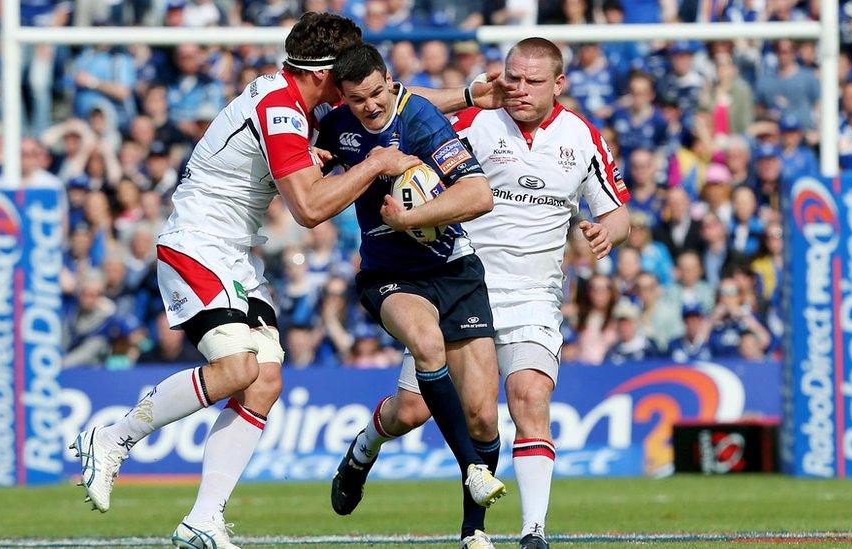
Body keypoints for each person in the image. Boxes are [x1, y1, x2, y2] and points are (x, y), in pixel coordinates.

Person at [71, 13, 523, 549]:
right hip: (199, 242)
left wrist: (470, 93)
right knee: (237, 368)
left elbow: (394, 99)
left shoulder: (302, 95)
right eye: (346, 77)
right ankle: (114, 437)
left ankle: (203, 519)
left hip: (237, 252)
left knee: (263, 382)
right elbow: (309, 208)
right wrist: (373, 164)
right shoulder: (283, 110)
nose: (358, 91)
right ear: (325, 74)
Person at [326, 38, 630, 549]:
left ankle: (531, 532)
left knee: (528, 398)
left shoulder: (583, 138)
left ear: (560, 85)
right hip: (462, 281)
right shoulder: (476, 121)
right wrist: (468, 93)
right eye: (512, 77)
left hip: (534, 294)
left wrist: (608, 232)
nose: (519, 89)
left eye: (533, 81)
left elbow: (617, 211)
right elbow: (402, 104)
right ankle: (365, 446)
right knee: (411, 412)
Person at [316, 43, 506, 549]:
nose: (370, 106)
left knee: (468, 414)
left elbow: (479, 195)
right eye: (357, 100)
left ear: (390, 81)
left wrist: (409, 217)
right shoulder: (333, 123)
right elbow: (301, 156)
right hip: (389, 273)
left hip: (453, 270)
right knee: (425, 341)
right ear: (344, 98)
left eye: (377, 93)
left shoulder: (420, 119)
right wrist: (315, 160)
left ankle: (367, 450)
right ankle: (472, 471)